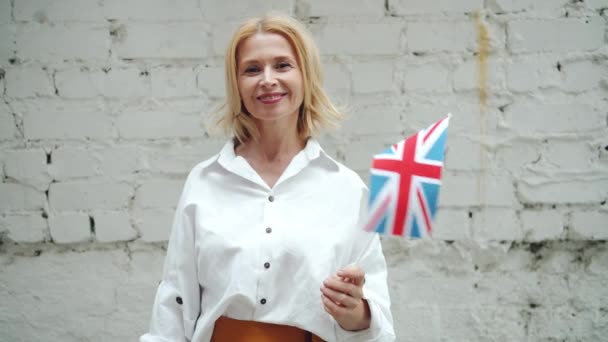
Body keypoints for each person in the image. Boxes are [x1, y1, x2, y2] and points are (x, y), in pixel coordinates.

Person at [140, 12, 395, 342]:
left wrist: (357, 313)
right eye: (252, 69)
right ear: (237, 84)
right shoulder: (204, 182)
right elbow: (175, 300)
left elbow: (378, 322)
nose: (267, 79)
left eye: (282, 65)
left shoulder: (346, 190)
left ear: (306, 75)